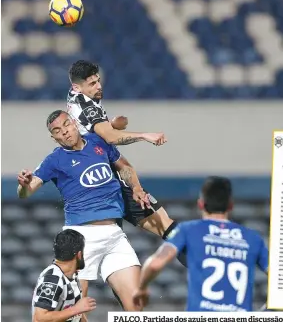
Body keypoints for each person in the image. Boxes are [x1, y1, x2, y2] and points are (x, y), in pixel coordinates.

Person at [17, 110, 148, 311]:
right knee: (75, 311)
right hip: (82, 238)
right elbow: (26, 192)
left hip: (114, 235)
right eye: (58, 131)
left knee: (135, 307)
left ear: (74, 123)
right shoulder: (55, 160)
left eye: (67, 125)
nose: (65, 133)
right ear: (54, 138)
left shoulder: (99, 142)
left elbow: (124, 166)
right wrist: (24, 185)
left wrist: (137, 188)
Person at [66, 60, 186, 266]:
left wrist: (110, 124)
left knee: (105, 260)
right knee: (167, 227)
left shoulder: (78, 97)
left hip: (98, 179)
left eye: (98, 81)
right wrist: (144, 135)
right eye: (92, 84)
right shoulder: (87, 107)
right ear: (77, 87)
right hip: (105, 181)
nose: (99, 86)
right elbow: (111, 138)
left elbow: (105, 140)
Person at [133, 176, 269, 312]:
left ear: (201, 204)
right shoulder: (252, 238)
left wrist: (142, 289)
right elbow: (277, 277)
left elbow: (155, 264)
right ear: (230, 205)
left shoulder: (188, 230)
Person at [32, 229, 96, 322]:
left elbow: (76, 315)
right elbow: (40, 318)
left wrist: (78, 311)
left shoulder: (72, 276)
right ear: (79, 254)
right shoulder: (53, 278)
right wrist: (76, 309)